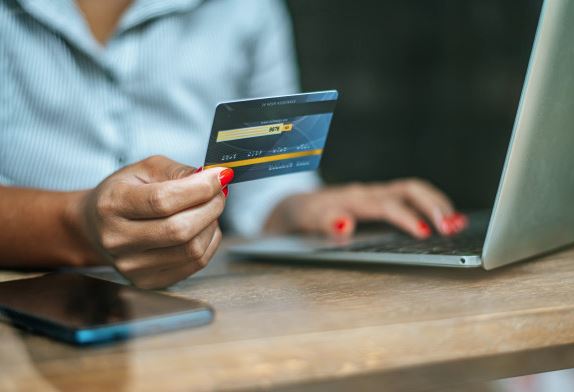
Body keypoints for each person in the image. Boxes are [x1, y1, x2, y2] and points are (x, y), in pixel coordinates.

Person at [0, 0, 467, 289]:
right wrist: (79, 222)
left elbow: (261, 187)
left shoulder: (249, 7)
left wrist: (301, 207)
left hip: (208, 305)